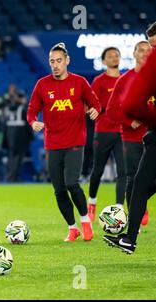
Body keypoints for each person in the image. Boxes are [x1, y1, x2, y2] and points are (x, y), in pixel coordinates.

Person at [27, 43, 100, 242]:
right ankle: (72, 227)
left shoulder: (80, 82)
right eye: (52, 61)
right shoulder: (42, 85)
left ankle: (85, 221)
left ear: (67, 61)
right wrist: (33, 122)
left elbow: (95, 103)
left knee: (71, 183)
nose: (56, 65)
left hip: (75, 141)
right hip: (53, 143)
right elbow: (31, 110)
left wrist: (95, 110)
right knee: (59, 189)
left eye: (59, 61)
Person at [103, 42, 156, 254]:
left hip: (150, 137)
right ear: (133, 54)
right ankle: (129, 238)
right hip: (137, 139)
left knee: (139, 185)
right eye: (145, 47)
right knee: (136, 182)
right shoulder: (127, 79)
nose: (148, 51)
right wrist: (130, 121)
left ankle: (130, 238)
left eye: (151, 46)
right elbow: (113, 110)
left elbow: (132, 104)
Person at [87, 47, 125, 221]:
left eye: (116, 55)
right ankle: (92, 202)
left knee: (123, 171)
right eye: (110, 56)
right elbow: (92, 104)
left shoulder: (126, 79)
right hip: (103, 131)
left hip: (123, 131)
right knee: (98, 170)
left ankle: (119, 209)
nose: (114, 57)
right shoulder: (99, 81)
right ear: (103, 61)